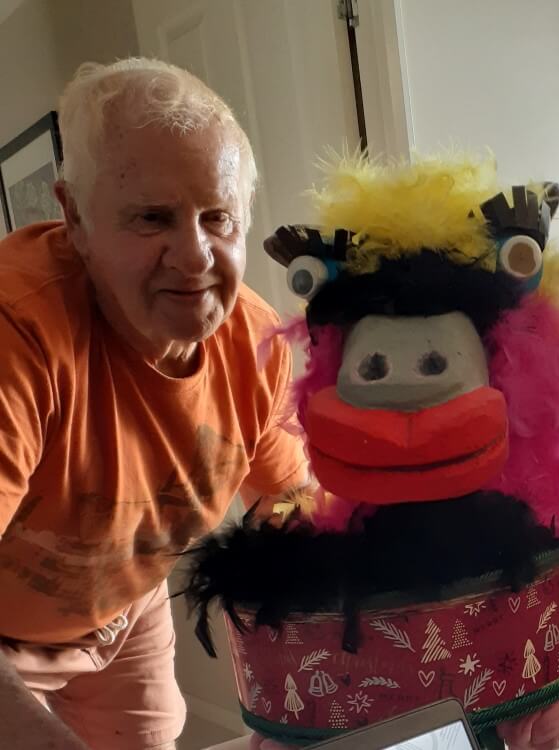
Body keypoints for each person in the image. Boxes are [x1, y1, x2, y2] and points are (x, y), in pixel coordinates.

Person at [0, 58, 310, 750]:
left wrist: (302, 697)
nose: (196, 258)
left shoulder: (258, 342)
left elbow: (290, 513)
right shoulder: (15, 330)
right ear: (75, 219)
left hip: (123, 600)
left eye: (217, 217)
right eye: (152, 218)